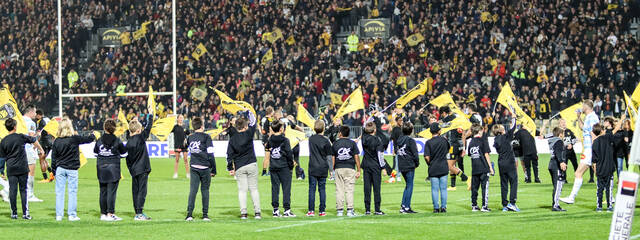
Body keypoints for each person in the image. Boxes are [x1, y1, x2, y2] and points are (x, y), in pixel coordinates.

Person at [51, 118, 95, 221]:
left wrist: (53, 171)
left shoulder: (57, 141)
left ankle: (59, 215)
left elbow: (54, 158)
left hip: (60, 169)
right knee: (72, 192)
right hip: (72, 169)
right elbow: (88, 139)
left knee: (59, 192)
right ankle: (71, 215)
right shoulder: (74, 139)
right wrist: (93, 135)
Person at [0, 118, 43, 219]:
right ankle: (25, 213)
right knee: (23, 190)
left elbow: (1, 158)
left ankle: (14, 213)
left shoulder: (4, 141)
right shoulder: (20, 137)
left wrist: (1, 171)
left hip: (11, 168)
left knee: (12, 191)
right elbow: (33, 140)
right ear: (15, 126)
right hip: (22, 167)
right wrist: (41, 149)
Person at [561, 100, 599, 204]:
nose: (581, 107)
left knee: (578, 173)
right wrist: (578, 117)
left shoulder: (592, 118)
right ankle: (608, 196)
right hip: (589, 149)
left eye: (583, 106)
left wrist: (594, 150)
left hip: (590, 149)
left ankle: (571, 198)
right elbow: (583, 128)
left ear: (587, 106)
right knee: (598, 173)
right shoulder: (588, 117)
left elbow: (594, 134)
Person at [227, 112, 262, 220]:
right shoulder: (249, 133)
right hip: (251, 163)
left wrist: (230, 167)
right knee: (254, 189)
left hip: (240, 166)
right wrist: (249, 111)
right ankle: (257, 212)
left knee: (242, 190)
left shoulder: (232, 139)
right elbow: (254, 121)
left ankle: (244, 213)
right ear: (245, 126)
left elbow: (229, 154)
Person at [94, 119, 127, 221]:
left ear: (104, 128)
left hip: (101, 167)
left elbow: (95, 153)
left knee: (102, 191)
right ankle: (110, 213)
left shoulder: (99, 140)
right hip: (113, 167)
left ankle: (103, 214)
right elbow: (124, 154)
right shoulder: (117, 140)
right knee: (111, 192)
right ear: (114, 128)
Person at [185, 117, 216, 221]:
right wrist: (214, 168)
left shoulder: (190, 138)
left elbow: (184, 145)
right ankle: (205, 214)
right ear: (202, 126)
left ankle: (189, 214)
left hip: (194, 167)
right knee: (205, 190)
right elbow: (211, 153)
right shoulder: (207, 137)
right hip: (205, 167)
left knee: (193, 190)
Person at [263, 120, 295, 218]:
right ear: (281, 129)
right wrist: (291, 165)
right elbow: (289, 154)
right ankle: (286, 210)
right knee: (286, 188)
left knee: (275, 188)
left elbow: (267, 155)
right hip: (284, 166)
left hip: (273, 167)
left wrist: (265, 168)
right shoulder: (285, 140)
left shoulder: (269, 141)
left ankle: (275, 210)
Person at [126, 117, 153, 221]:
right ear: (138, 131)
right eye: (140, 129)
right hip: (142, 169)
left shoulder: (128, 142)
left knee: (135, 191)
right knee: (142, 191)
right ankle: (139, 213)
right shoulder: (140, 138)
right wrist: (150, 116)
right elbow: (148, 128)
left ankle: (137, 212)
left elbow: (127, 159)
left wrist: (130, 169)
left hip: (134, 170)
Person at [592, 119, 622, 212]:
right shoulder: (608, 137)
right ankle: (609, 206)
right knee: (609, 188)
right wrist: (622, 118)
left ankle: (599, 206)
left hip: (600, 169)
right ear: (601, 130)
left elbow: (594, 160)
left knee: (599, 189)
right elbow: (616, 128)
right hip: (609, 168)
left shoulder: (595, 142)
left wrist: (595, 171)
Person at [332, 126, 360, 217]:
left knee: (339, 190)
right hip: (350, 168)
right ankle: (350, 210)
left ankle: (339, 210)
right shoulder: (352, 143)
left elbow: (333, 157)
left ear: (340, 133)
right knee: (349, 190)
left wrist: (332, 170)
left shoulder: (335, 143)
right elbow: (356, 156)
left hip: (338, 168)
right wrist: (358, 169)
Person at [493, 118, 520, 212]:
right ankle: (512, 203)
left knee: (503, 184)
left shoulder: (496, 139)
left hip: (501, 163)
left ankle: (505, 205)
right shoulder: (506, 136)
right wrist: (514, 118)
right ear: (501, 130)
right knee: (514, 182)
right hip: (509, 162)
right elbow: (513, 127)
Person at [306, 120, 332, 217]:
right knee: (322, 189)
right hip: (323, 167)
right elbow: (329, 157)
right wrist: (331, 170)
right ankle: (322, 210)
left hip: (313, 166)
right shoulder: (326, 141)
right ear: (323, 128)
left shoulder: (311, 139)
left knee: (312, 189)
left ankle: (311, 210)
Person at [439, 106, 469, 190]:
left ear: (444, 113)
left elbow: (440, 123)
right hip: (459, 144)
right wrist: (463, 147)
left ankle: (467, 179)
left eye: (442, 114)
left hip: (453, 145)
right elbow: (463, 134)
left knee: (449, 166)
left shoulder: (451, 118)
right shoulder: (458, 119)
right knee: (452, 164)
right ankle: (453, 186)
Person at [361, 121, 387, 215]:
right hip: (375, 166)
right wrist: (383, 167)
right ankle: (377, 209)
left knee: (367, 188)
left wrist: (367, 124)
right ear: (374, 130)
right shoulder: (377, 140)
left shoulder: (363, 139)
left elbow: (363, 131)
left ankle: (367, 209)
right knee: (376, 188)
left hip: (366, 165)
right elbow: (380, 155)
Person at [424, 123, 450, 213]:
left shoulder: (428, 142)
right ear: (439, 131)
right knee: (443, 189)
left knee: (434, 189)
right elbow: (447, 150)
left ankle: (436, 207)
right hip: (443, 166)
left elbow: (426, 157)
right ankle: (443, 207)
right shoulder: (444, 140)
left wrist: (430, 163)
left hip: (433, 167)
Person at [468, 124, 494, 212]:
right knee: (484, 187)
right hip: (483, 167)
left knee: (474, 188)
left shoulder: (471, 142)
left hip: (474, 168)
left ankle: (474, 205)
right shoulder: (483, 141)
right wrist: (490, 167)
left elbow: (470, 154)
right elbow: (486, 154)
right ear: (479, 131)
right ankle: (484, 206)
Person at [396, 122, 419, 214]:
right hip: (409, 165)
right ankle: (406, 206)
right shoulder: (410, 141)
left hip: (402, 165)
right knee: (410, 186)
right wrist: (416, 164)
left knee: (407, 185)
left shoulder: (399, 140)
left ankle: (403, 206)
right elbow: (415, 154)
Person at [22, 105, 42, 202]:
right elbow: (31, 138)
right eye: (34, 112)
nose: (35, 114)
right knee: (31, 172)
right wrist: (40, 148)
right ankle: (30, 195)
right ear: (30, 112)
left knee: (18, 173)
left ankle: (6, 190)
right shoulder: (31, 123)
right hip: (28, 150)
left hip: (17, 150)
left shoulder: (19, 120)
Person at [548, 127, 568, 212]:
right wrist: (561, 162)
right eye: (563, 134)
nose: (563, 136)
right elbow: (558, 152)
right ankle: (555, 205)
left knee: (556, 185)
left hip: (551, 164)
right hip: (556, 165)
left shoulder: (552, 140)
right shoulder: (559, 141)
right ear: (560, 134)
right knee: (558, 186)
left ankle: (555, 204)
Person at [35, 110, 54, 183]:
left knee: (41, 160)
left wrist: (34, 142)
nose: (35, 116)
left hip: (44, 142)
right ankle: (51, 173)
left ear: (39, 115)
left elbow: (39, 133)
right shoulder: (48, 119)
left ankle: (45, 178)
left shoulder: (41, 121)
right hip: (49, 142)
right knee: (44, 158)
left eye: (36, 115)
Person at [171, 114, 190, 179]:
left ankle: (188, 174)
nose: (182, 119)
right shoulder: (175, 127)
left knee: (186, 160)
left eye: (182, 118)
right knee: (177, 159)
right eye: (180, 118)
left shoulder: (185, 126)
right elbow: (169, 130)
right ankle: (175, 174)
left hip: (184, 145)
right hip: (177, 145)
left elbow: (188, 133)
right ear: (177, 119)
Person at [388, 115, 404, 183]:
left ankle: (393, 176)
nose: (402, 122)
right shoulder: (396, 129)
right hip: (397, 148)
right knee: (397, 163)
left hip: (401, 148)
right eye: (400, 120)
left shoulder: (400, 129)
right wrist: (394, 148)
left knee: (398, 163)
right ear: (397, 121)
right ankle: (397, 176)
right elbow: (392, 138)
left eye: (402, 120)